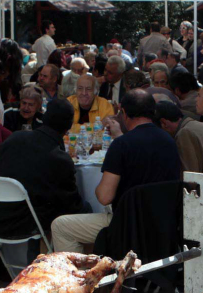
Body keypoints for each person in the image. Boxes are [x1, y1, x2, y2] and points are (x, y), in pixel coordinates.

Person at [51, 91, 181, 252]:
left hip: (127, 225)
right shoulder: (170, 141)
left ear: (124, 113)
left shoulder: (121, 145)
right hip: (164, 224)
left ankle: (80, 277)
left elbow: (104, 197)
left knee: (61, 226)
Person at [0, 99, 84, 245]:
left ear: (43, 118)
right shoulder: (59, 159)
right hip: (24, 226)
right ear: (68, 126)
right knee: (84, 208)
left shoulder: (14, 138)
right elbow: (73, 205)